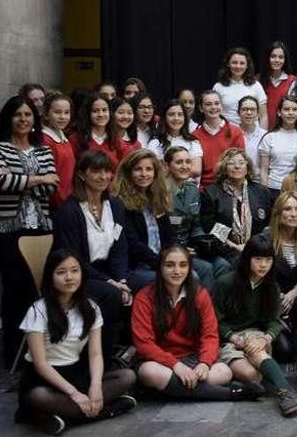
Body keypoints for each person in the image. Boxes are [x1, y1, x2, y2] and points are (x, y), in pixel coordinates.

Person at [16, 250, 136, 434]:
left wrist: (95, 387)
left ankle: (59, 418)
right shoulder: (38, 311)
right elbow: (40, 364)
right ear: (50, 277)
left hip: (76, 373)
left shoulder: (91, 308)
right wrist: (74, 394)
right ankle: (107, 410)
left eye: (74, 270)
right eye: (61, 272)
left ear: (82, 274)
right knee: (38, 396)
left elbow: (95, 354)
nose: (69, 277)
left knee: (127, 376)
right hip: (43, 380)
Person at [132, 244, 263, 401]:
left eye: (183, 265)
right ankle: (230, 394)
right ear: (159, 268)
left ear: (189, 268)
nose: (177, 271)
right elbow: (144, 344)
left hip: (191, 357)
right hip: (159, 362)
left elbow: (210, 335)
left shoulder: (199, 294)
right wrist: (176, 366)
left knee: (224, 372)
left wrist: (205, 363)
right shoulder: (144, 297)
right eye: (169, 265)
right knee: (150, 372)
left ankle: (169, 390)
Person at [211, 235, 297, 416]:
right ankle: (245, 382)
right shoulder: (226, 282)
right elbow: (214, 320)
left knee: (255, 348)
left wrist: (266, 337)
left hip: (255, 335)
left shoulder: (271, 287)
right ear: (247, 259)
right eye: (257, 259)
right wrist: (232, 336)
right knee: (253, 376)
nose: (263, 265)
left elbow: (274, 321)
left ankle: (285, 391)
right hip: (228, 339)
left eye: (268, 259)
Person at [53, 151, 129, 362]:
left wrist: (121, 278)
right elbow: (73, 259)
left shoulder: (115, 205)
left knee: (144, 285)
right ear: (81, 175)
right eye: (96, 171)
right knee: (111, 294)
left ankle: (132, 354)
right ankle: (101, 359)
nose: (103, 176)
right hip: (76, 274)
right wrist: (110, 282)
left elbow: (120, 247)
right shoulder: (69, 211)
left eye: (107, 171)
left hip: (108, 271)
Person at [0, 95, 58, 367]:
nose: (23, 119)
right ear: (9, 118)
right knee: (15, 291)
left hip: (42, 227)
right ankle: (13, 355)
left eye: (28, 115)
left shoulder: (43, 148)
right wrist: (37, 178)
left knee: (41, 291)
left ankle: (40, 353)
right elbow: (3, 182)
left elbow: (52, 185)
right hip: (11, 228)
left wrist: (21, 180)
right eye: (18, 115)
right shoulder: (1, 147)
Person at [258, 192, 297, 362]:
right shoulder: (265, 239)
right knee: (285, 352)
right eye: (288, 209)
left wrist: (296, 290)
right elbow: (255, 275)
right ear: (278, 213)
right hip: (269, 304)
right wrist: (276, 294)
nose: (293, 214)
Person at [163, 147, 231, 292]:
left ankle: (218, 310)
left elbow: (196, 224)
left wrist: (202, 243)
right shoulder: (161, 192)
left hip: (192, 247)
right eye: (179, 162)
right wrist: (181, 249)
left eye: (188, 162)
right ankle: (205, 312)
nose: (185, 166)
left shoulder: (192, 190)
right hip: (171, 249)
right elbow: (161, 231)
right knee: (205, 268)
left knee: (223, 265)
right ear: (168, 166)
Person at [201, 148, 272, 265]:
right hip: (225, 249)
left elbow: (269, 224)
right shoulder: (211, 193)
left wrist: (252, 245)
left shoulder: (261, 192)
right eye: (231, 163)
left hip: (258, 248)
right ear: (224, 168)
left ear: (247, 168)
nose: (237, 167)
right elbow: (210, 225)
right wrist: (234, 246)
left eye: (241, 163)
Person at [114, 149, 172, 291]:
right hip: (136, 266)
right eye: (138, 169)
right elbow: (133, 244)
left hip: (162, 261)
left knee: (199, 271)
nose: (144, 174)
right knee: (174, 281)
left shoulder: (158, 198)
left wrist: (174, 258)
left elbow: (170, 235)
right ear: (128, 173)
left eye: (148, 169)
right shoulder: (120, 203)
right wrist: (163, 264)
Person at [192, 90, 246, 190]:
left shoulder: (235, 132)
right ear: (201, 108)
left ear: (221, 106)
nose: (213, 107)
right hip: (205, 190)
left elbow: (240, 164)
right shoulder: (194, 136)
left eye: (217, 103)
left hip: (231, 187)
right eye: (208, 104)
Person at [258, 95, 297, 199]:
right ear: (279, 112)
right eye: (287, 109)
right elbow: (264, 171)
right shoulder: (269, 138)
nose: (291, 113)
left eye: (294, 109)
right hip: (273, 189)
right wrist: (264, 194)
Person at [146, 99, 203, 180]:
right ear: (164, 118)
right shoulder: (155, 143)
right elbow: (155, 170)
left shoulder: (193, 142)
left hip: (188, 189)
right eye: (171, 114)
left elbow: (196, 170)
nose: (176, 118)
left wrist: (169, 169)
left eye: (180, 114)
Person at [212, 47, 268, 127]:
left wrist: (263, 136)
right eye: (234, 62)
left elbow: (264, 116)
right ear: (228, 64)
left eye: (242, 63)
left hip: (252, 134)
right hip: (228, 134)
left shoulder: (256, 85)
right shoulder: (218, 87)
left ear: (247, 65)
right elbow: (214, 115)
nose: (238, 66)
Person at [41, 92, 75, 208]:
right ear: (46, 114)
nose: (63, 117)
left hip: (68, 200)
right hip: (55, 203)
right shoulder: (45, 140)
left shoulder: (64, 138)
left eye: (67, 112)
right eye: (57, 112)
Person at [70, 94, 119, 169]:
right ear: (88, 114)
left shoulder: (116, 140)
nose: (101, 114)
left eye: (104, 110)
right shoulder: (75, 139)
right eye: (95, 111)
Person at [262, 40, 297, 126]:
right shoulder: (258, 80)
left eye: (281, 57)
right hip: (262, 129)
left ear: (285, 60)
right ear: (268, 58)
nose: (277, 60)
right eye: (273, 56)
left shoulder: (293, 81)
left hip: (284, 129)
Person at [108, 97, 141, 162]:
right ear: (111, 114)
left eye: (129, 113)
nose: (126, 117)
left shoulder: (136, 144)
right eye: (121, 112)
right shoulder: (104, 140)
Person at [238, 95, 267, 167]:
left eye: (252, 109)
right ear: (238, 112)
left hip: (258, 177)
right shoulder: (231, 133)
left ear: (258, 113)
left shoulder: (265, 136)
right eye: (244, 109)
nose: (249, 113)